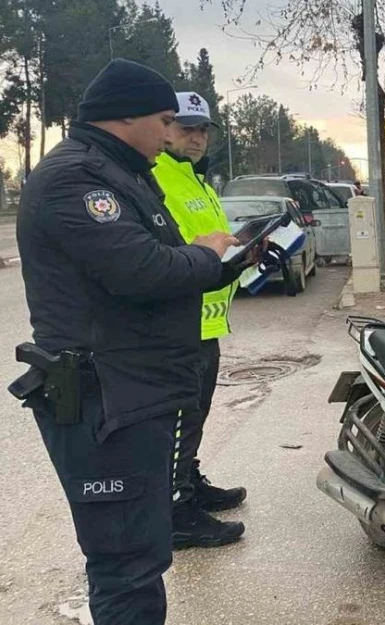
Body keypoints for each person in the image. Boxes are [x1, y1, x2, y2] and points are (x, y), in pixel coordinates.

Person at [14, 59, 242, 625]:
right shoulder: (77, 179)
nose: (170, 135)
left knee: (142, 551)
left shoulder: (119, 171)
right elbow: (141, 269)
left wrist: (223, 261)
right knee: (125, 564)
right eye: (165, 121)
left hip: (132, 391)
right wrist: (207, 254)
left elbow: (155, 265)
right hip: (103, 399)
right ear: (126, 114)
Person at [152, 92, 247, 550]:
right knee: (180, 420)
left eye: (203, 129)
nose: (196, 137)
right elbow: (174, 255)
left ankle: (188, 481)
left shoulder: (199, 182)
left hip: (207, 323)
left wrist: (245, 253)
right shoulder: (158, 179)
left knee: (196, 415)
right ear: (165, 128)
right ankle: (175, 511)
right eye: (187, 128)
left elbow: (212, 249)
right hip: (182, 324)